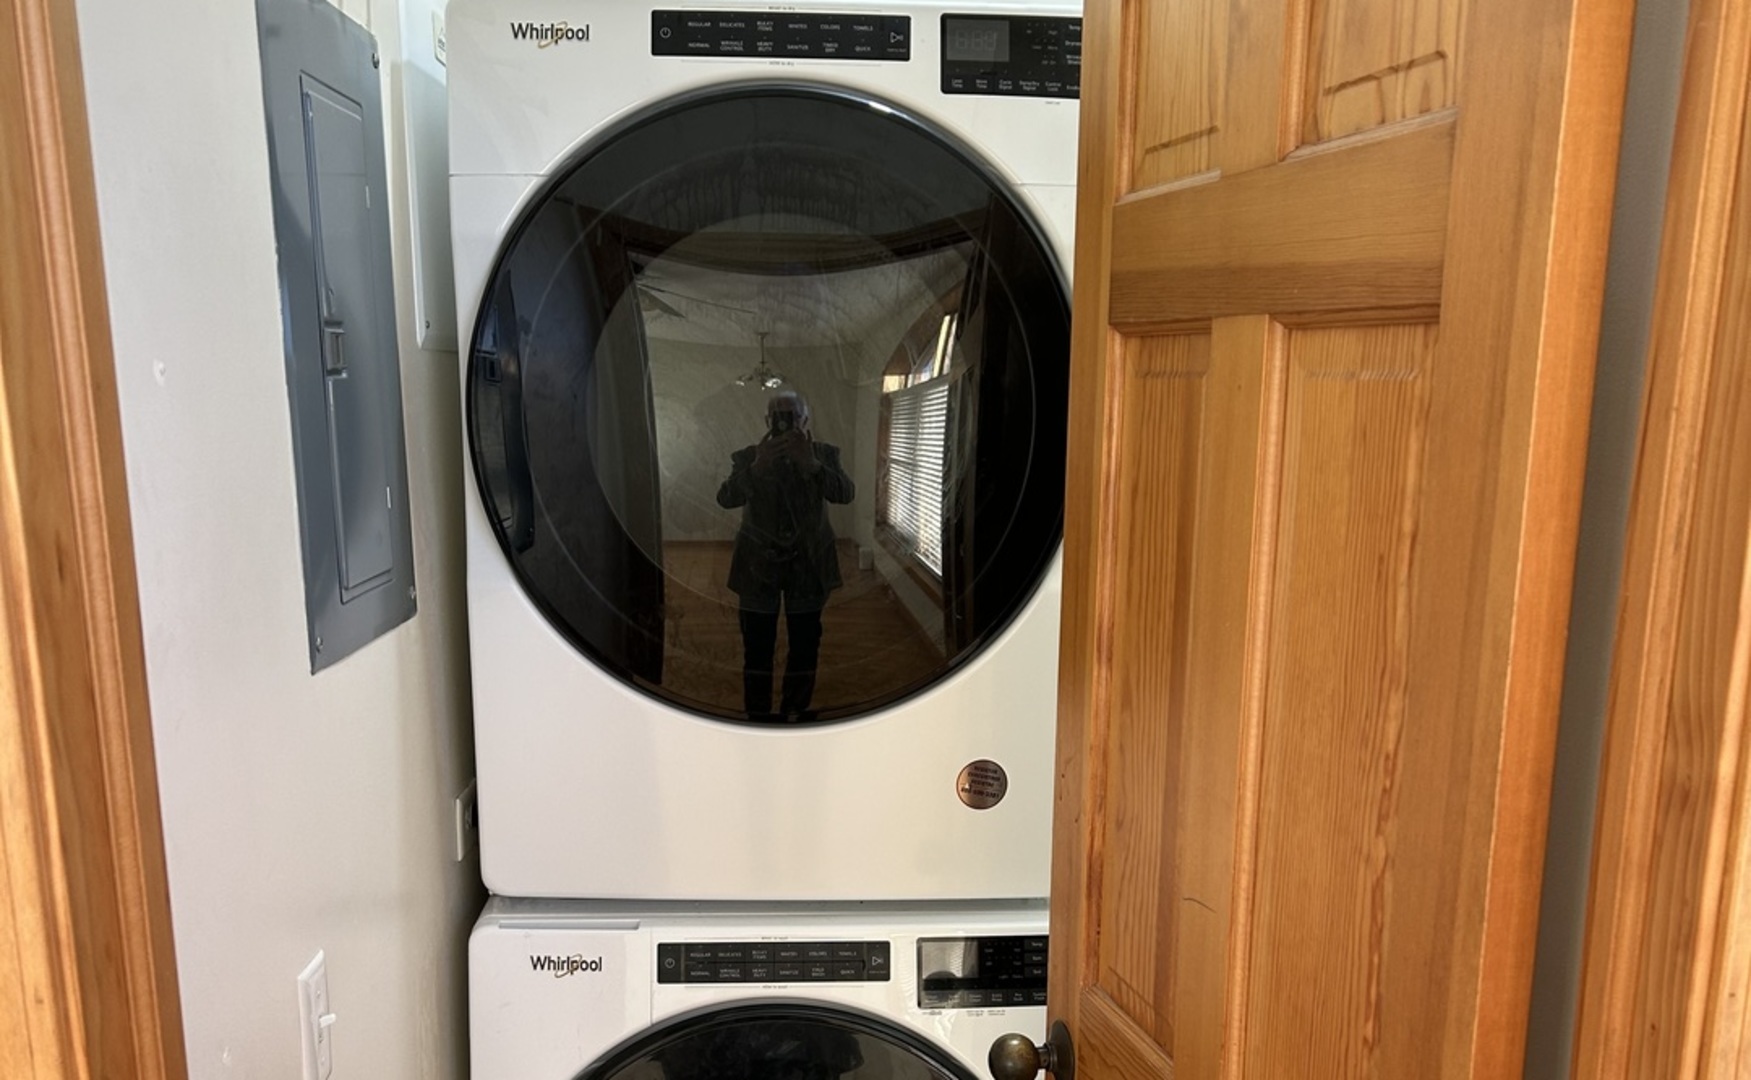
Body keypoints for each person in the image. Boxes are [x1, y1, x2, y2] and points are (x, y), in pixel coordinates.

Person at [716, 391, 854, 721]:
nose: (784, 422)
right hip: (757, 566)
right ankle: (758, 715)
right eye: (777, 415)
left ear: (805, 419)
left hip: (809, 565)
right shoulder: (748, 456)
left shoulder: (824, 454)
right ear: (767, 421)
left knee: (805, 644)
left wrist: (812, 465)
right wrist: (756, 468)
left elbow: (845, 494)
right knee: (756, 645)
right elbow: (725, 498)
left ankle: (796, 709)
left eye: (791, 415)